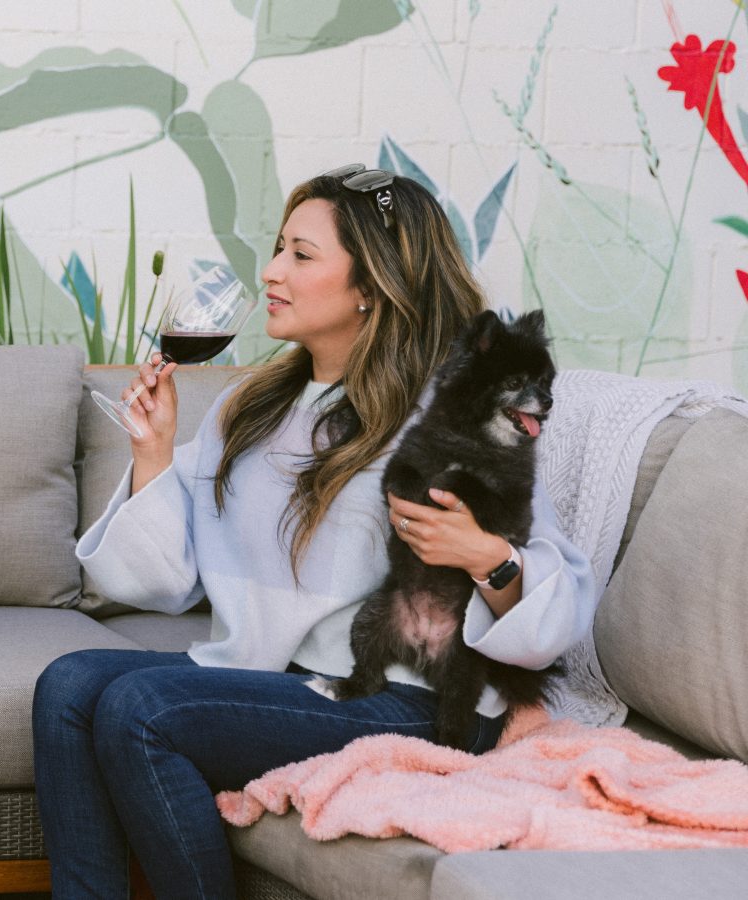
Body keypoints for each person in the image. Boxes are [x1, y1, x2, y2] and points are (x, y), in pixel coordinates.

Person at [33, 166, 599, 899]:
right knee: (69, 685)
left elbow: (549, 611)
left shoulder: (448, 419)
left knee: (144, 711)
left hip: (410, 700)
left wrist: (487, 558)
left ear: (371, 284)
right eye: (277, 249)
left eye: (301, 255)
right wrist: (153, 455)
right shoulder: (254, 407)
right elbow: (164, 583)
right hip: (291, 684)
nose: (270, 272)